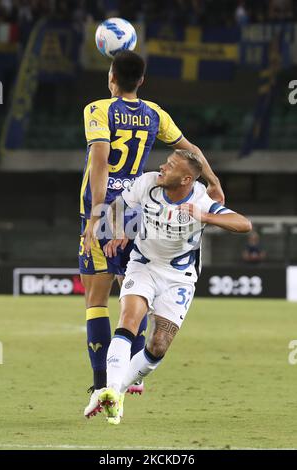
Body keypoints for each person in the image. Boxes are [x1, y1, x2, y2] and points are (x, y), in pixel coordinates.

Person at [79, 50, 224, 419]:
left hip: (110, 208)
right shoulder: (154, 113)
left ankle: (102, 384)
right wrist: (214, 181)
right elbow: (191, 150)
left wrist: (97, 215)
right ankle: (130, 377)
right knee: (134, 285)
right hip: (139, 207)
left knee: (97, 297)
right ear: (141, 80)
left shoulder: (97, 110)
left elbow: (99, 161)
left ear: (111, 77)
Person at [97, 149, 251, 424]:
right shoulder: (148, 183)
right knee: (129, 319)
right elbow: (116, 206)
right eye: (166, 163)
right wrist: (120, 232)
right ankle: (108, 390)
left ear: (186, 179)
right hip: (143, 264)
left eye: (170, 166)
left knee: (158, 345)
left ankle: (115, 392)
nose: (162, 168)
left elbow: (243, 224)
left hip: (179, 276)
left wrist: (205, 217)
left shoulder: (201, 200)